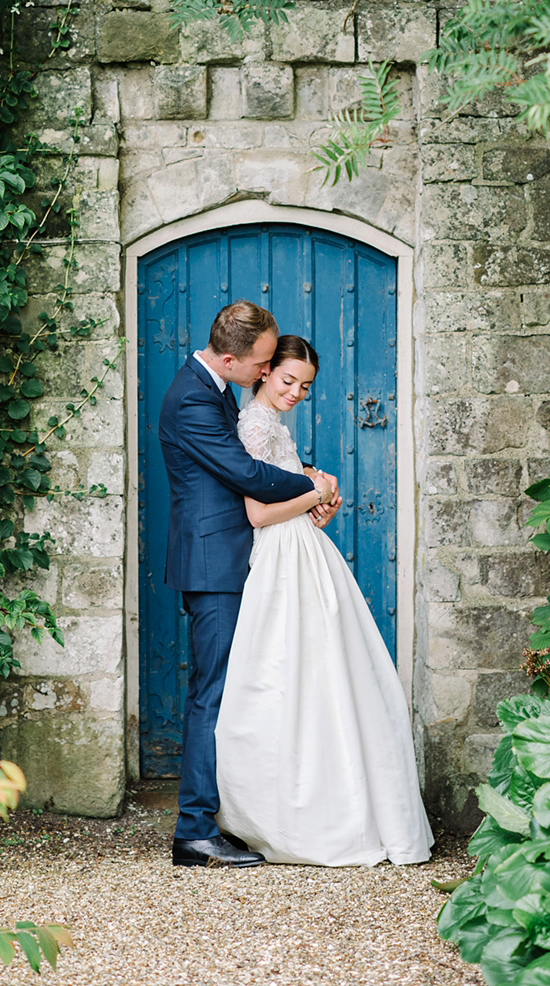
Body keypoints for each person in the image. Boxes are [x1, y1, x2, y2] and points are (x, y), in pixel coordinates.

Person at [215, 335, 434, 867]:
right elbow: (259, 514)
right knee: (286, 673)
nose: (295, 392)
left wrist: (316, 498)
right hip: (280, 558)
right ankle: (291, 812)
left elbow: (282, 499)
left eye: (305, 386)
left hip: (303, 551)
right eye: (287, 380)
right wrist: (317, 490)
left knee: (324, 673)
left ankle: (336, 801)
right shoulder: (254, 426)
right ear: (265, 372)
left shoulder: (275, 426)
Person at [160, 301, 340, 868]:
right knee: (211, 694)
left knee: (237, 693)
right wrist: (314, 483)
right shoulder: (192, 397)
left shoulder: (214, 388)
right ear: (233, 358)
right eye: (264, 363)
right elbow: (242, 472)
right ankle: (192, 831)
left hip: (236, 559)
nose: (267, 373)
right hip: (214, 565)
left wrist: (308, 484)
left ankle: (227, 816)